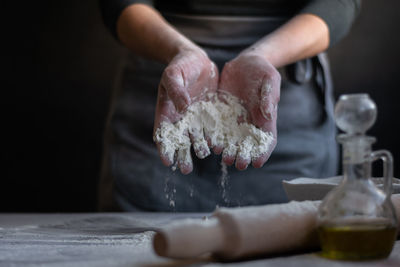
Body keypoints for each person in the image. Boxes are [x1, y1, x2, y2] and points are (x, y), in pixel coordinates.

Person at [98, 0, 361, 211]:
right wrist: (179, 50)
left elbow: (339, 4)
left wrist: (263, 56)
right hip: (166, 82)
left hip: (283, 100)